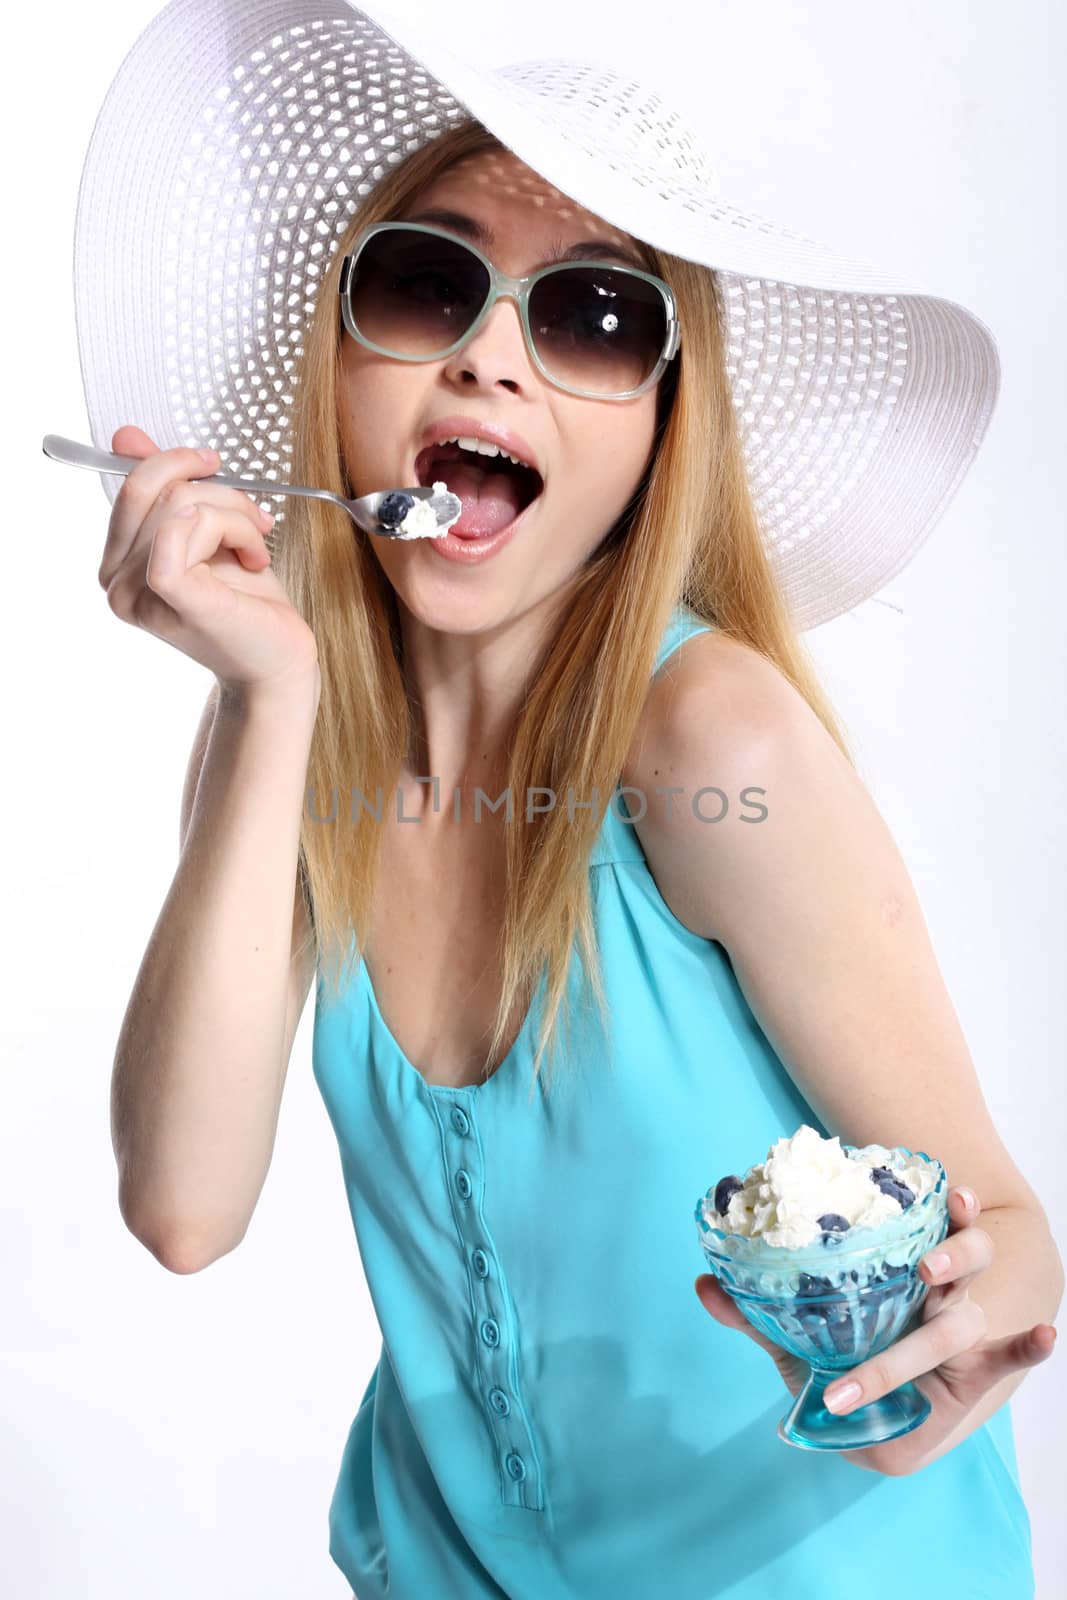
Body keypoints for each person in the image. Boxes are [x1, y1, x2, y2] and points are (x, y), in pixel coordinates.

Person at [76, 3, 1061, 1596]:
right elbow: (183, 1211)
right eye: (423, 281)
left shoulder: (712, 745)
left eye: (594, 319)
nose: (487, 351)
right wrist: (266, 697)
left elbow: (1004, 1218)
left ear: (662, 426)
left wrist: (967, 1330)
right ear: (337, 358)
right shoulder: (290, 732)